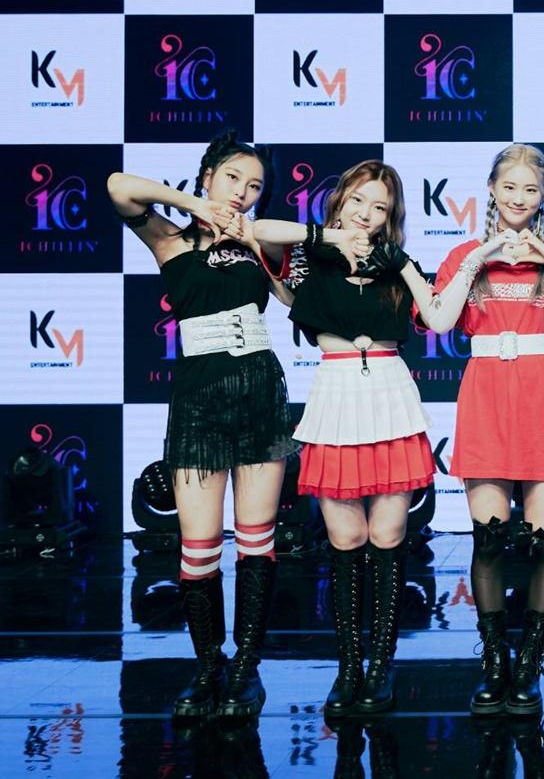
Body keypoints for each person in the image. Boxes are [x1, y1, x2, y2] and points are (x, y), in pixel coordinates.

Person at [107, 129, 300, 719]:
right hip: (197, 398)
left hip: (259, 390)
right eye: (232, 178)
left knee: (257, 539)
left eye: (255, 186)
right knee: (198, 544)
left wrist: (258, 241)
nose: (243, 192)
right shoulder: (169, 238)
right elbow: (118, 187)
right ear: (209, 175)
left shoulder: (260, 241)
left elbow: (295, 303)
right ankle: (208, 665)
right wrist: (195, 206)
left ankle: (246, 669)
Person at [252, 160, 435, 715]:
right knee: (346, 537)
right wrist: (327, 237)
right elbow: (259, 230)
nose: (366, 213)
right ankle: (349, 664)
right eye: (358, 199)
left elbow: (438, 315)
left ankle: (381, 664)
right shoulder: (309, 258)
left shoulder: (397, 263)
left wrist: (399, 262)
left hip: (390, 394)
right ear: (338, 201)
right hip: (334, 393)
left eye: (379, 207)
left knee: (388, 533)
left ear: (390, 217)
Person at [426, 144, 544, 716]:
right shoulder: (464, 255)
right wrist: (480, 256)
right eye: (510, 186)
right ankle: (495, 661)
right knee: (489, 539)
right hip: (486, 392)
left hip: (541, 390)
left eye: (531, 189)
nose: (519, 198)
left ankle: (530, 666)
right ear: (492, 190)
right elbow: (441, 321)